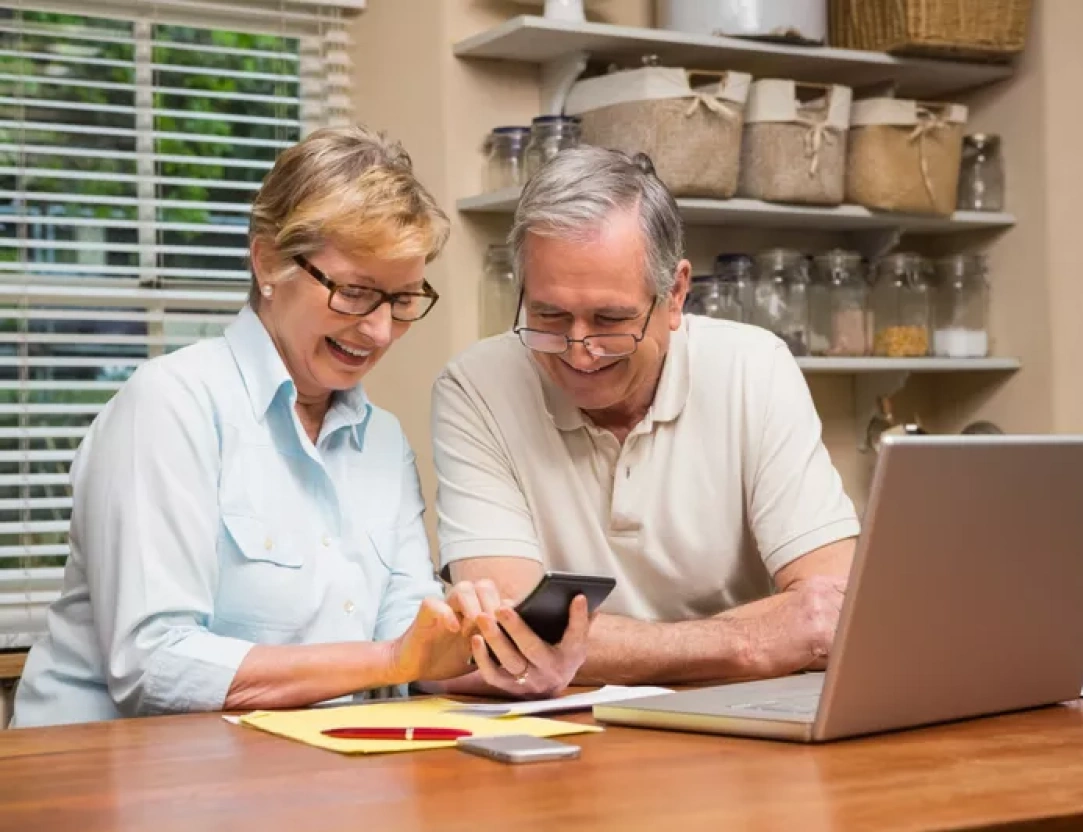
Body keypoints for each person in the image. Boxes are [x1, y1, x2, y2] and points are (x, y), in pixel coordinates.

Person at [13, 126, 589, 728]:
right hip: (96, 779)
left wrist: (515, 668)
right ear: (267, 262)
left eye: (403, 300)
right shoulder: (169, 406)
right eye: (356, 293)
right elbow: (154, 667)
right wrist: (390, 659)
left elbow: (410, 648)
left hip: (292, 774)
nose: (379, 331)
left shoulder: (383, 442)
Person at [431, 146, 860, 688]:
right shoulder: (475, 385)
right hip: (579, 732)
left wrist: (592, 648)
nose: (579, 351)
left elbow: (834, 612)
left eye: (611, 319)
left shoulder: (754, 365)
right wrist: (749, 642)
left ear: (676, 293)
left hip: (746, 730)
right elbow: (507, 634)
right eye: (548, 315)